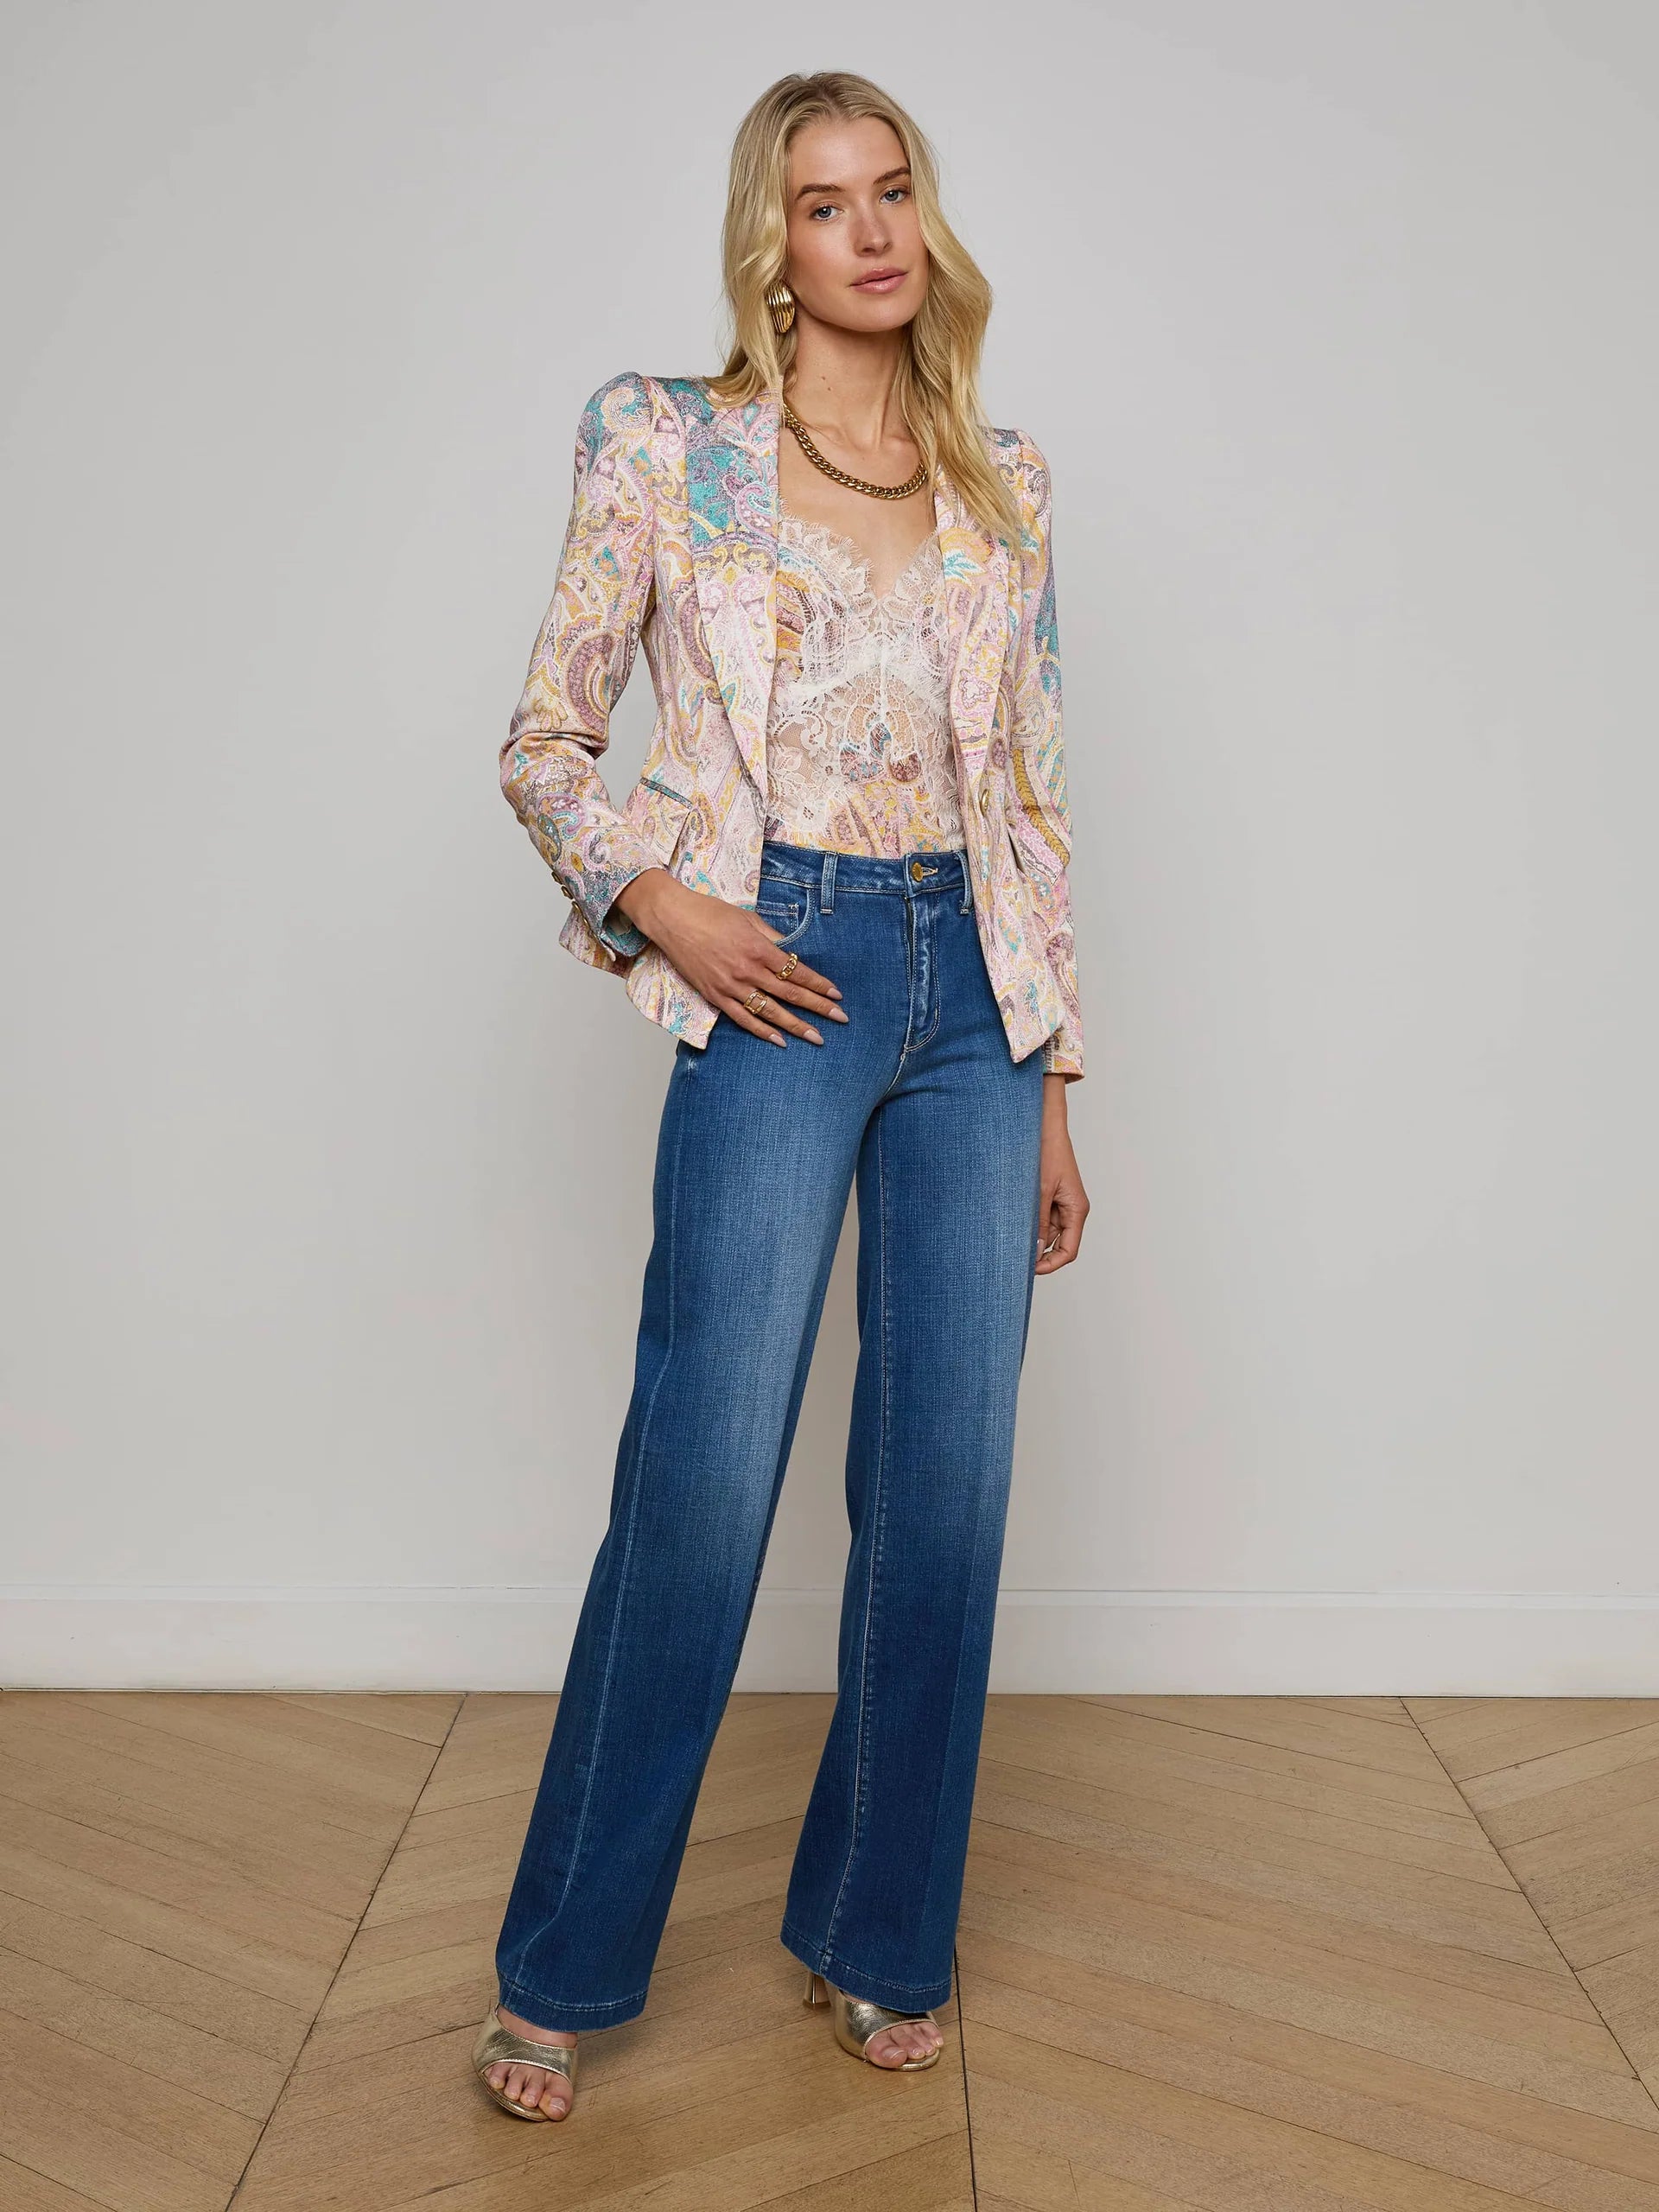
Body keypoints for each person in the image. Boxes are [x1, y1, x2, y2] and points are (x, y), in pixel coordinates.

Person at [474, 67, 1088, 2124]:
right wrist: (666, 903)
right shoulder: (665, 442)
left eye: (893, 190)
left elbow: (1031, 803)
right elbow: (546, 741)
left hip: (973, 1003)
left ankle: (880, 1930)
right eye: (825, 203)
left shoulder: (1006, 478)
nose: (871, 231)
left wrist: (1056, 1078)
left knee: (945, 1489)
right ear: (775, 241)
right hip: (778, 963)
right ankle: (562, 1967)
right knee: (704, 1471)